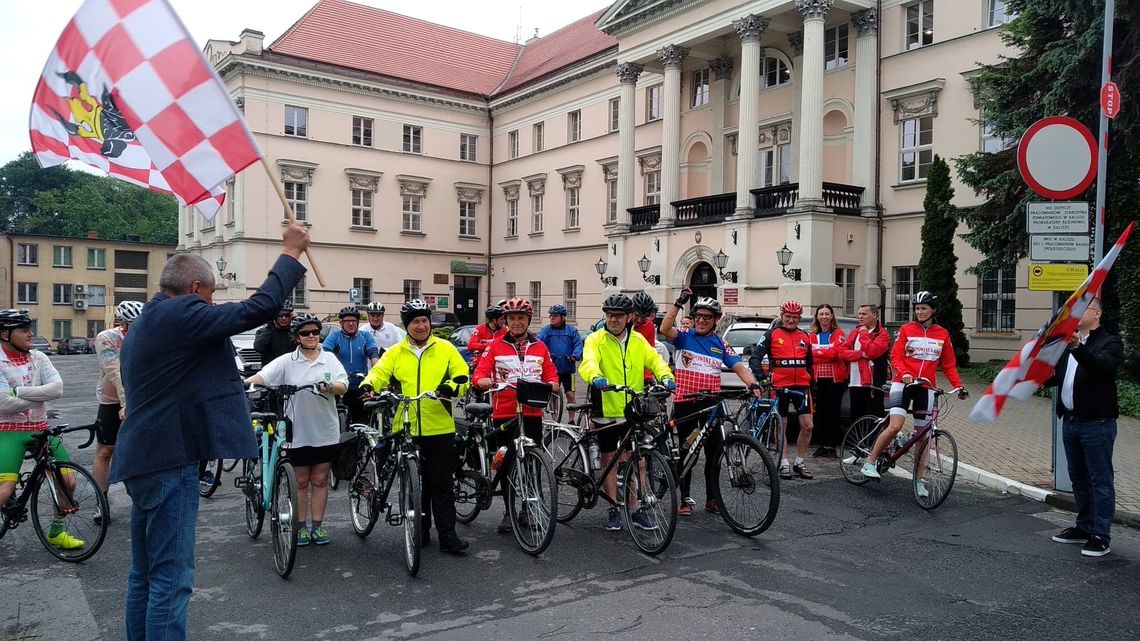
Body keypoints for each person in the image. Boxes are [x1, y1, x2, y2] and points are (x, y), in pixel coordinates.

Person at [112, 223, 308, 641]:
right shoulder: (181, 313)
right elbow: (259, 308)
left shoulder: (149, 318)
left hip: (142, 458)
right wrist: (291, 253)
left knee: (144, 574)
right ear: (197, 287)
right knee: (172, 577)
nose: (212, 304)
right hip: (169, 459)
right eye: (211, 295)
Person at [360, 299, 471, 553]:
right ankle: (419, 530)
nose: (421, 326)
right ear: (407, 325)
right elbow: (380, 373)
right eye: (415, 322)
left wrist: (450, 387)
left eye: (424, 321)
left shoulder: (445, 348)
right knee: (414, 483)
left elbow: (463, 376)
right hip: (406, 425)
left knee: (441, 484)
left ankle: (448, 536)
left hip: (439, 426)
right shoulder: (396, 352)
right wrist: (369, 384)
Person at [245, 313, 347, 546]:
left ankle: (317, 527)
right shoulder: (287, 361)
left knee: (320, 479)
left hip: (325, 430)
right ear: (296, 337)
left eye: (314, 332)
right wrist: (244, 382)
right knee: (301, 481)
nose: (311, 336)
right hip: (296, 431)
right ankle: (300, 526)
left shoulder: (329, 358)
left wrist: (330, 386)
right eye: (305, 333)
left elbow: (343, 385)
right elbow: (263, 376)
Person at [660, 288, 762, 516]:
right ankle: (685, 500)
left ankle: (712, 498)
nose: (702, 321)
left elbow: (738, 366)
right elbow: (664, 329)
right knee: (688, 453)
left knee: (714, 454)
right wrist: (679, 302)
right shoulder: (686, 336)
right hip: (686, 403)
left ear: (716, 320)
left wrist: (752, 384)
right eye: (698, 316)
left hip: (711, 406)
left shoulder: (720, 344)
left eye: (707, 317)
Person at [578, 293, 674, 531]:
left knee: (637, 459)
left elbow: (655, 360)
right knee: (609, 458)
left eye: (619, 316)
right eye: (610, 315)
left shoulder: (638, 340)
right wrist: (596, 377)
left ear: (629, 317)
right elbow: (587, 362)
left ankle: (635, 508)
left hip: (632, 410)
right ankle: (613, 507)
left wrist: (666, 376)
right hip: (606, 408)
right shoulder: (595, 339)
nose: (614, 320)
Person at [860, 291, 967, 499]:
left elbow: (949, 365)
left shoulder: (942, 334)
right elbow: (896, 356)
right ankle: (869, 463)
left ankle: (918, 480)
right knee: (895, 425)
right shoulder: (906, 329)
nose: (919, 312)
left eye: (923, 308)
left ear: (933, 310)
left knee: (923, 437)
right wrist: (905, 373)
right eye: (917, 308)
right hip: (903, 383)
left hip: (926, 387)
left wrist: (959, 386)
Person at [473, 298, 559, 534]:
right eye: (512, 318)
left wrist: (552, 383)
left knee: (532, 463)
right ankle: (509, 512)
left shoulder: (540, 347)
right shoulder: (495, 345)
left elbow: (551, 374)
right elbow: (480, 371)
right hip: (505, 413)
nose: (517, 322)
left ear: (528, 320)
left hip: (532, 412)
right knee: (506, 463)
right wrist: (482, 380)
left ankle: (528, 509)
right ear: (506, 321)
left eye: (521, 318)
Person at [1047, 298, 1123, 557]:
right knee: (1078, 477)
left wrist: (1078, 347)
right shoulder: (1069, 344)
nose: (1077, 313)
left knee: (1099, 479)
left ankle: (1101, 535)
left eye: (1084, 308)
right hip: (1071, 421)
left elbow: (1101, 367)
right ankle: (1084, 526)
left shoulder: (1110, 343)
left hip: (1097, 423)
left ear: (1098, 313)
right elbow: (1060, 377)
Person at [0, 309, 73, 548]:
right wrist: (40, 397)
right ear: (5, 334)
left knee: (68, 481)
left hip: (40, 427)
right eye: (24, 330)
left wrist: (18, 393)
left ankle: (56, 531)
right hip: (8, 430)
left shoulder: (39, 357)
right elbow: (2, 404)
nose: (31, 334)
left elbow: (58, 389)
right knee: (5, 490)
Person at [90, 300, 144, 525]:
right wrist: (126, 404)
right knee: (105, 452)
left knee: (139, 451)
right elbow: (116, 373)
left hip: (140, 401)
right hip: (113, 401)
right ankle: (100, 501)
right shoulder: (107, 338)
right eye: (133, 325)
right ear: (122, 323)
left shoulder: (147, 336)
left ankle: (141, 498)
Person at [750, 300, 815, 480]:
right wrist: (762, 379)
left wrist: (812, 382)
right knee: (782, 424)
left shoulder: (804, 336)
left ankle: (799, 462)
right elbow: (755, 358)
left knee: (808, 426)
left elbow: (809, 363)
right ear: (782, 316)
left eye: (795, 317)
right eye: (788, 317)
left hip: (802, 385)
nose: (791, 320)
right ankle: (784, 461)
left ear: (799, 318)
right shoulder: (772, 334)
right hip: (779, 386)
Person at [323, 305, 379, 424]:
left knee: (363, 418)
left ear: (358, 322)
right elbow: (325, 356)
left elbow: (373, 355)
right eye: (347, 321)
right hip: (341, 382)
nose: (350, 324)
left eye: (353, 321)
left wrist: (376, 375)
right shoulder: (335, 336)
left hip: (360, 382)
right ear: (341, 323)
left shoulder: (365, 336)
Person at [838, 304, 891, 420]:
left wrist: (863, 333)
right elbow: (842, 352)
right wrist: (860, 354)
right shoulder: (854, 333)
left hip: (872, 384)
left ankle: (874, 439)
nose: (860, 317)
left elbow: (872, 352)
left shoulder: (882, 334)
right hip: (854, 382)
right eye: (859, 314)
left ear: (874, 315)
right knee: (855, 419)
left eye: (864, 314)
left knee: (872, 419)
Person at [808, 304, 847, 459]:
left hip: (835, 379)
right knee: (820, 414)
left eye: (827, 314)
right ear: (817, 317)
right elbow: (810, 355)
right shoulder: (811, 334)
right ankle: (822, 445)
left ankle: (832, 446)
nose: (824, 317)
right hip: (818, 379)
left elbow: (835, 354)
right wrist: (824, 352)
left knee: (834, 413)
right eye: (821, 314)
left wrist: (819, 352)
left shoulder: (839, 333)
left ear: (832, 316)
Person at [536, 304, 583, 409]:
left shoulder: (572, 331)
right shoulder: (546, 330)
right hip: (552, 368)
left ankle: (571, 419)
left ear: (563, 317)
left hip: (568, 368)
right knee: (554, 393)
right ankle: (555, 417)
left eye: (555, 316)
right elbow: (539, 342)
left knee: (570, 394)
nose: (552, 318)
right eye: (551, 315)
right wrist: (545, 355)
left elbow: (578, 345)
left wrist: (575, 356)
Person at [254, 299, 296, 365]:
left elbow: (313, 344)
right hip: (271, 372)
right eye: (280, 315)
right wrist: (271, 325)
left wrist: (299, 323)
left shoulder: (295, 332)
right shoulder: (264, 331)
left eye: (287, 315)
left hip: (290, 371)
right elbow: (258, 348)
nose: (284, 318)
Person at [631, 291, 659, 381]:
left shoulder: (649, 325)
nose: (639, 320)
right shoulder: (623, 323)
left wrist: (647, 376)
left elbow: (650, 353)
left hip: (639, 374)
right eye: (637, 315)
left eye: (643, 317)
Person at [468, 304, 505, 371]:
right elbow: (471, 345)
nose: (504, 321)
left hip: (499, 366)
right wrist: (488, 346)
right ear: (494, 320)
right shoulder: (480, 329)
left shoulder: (505, 331)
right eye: (501, 319)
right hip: (480, 364)